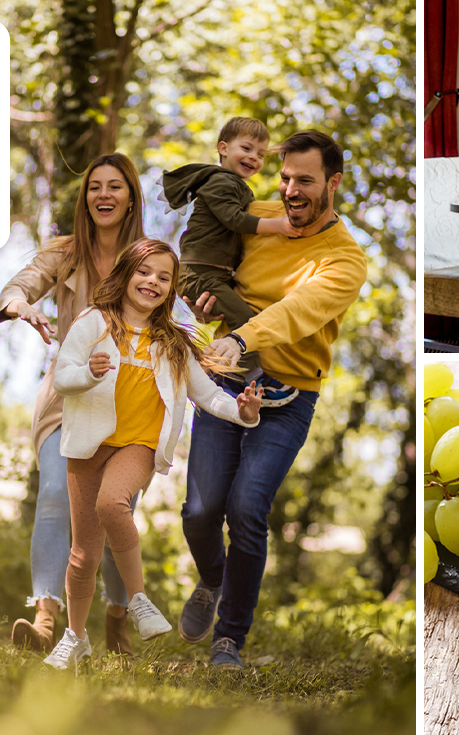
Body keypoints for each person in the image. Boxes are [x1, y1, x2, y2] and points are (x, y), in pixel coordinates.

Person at [177, 130, 368, 668]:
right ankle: (213, 579)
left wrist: (242, 337)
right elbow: (203, 255)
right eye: (285, 178)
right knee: (199, 511)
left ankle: (229, 639)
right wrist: (201, 296)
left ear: (333, 182)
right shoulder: (256, 217)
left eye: (305, 180)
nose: (290, 191)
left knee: (246, 508)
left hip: (290, 394)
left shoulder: (345, 259)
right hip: (225, 380)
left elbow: (297, 311)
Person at [43, 239, 262, 669]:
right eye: (144, 272)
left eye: (164, 277)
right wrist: (88, 373)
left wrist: (242, 412)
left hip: (139, 445)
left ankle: (139, 600)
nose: (152, 282)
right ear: (126, 274)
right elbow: (63, 377)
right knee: (83, 555)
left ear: (171, 289)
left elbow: (207, 395)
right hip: (89, 444)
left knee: (112, 503)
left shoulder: (173, 343)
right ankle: (75, 637)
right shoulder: (94, 323)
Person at [0, 153, 146, 656]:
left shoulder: (148, 259)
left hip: (130, 403)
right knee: (56, 495)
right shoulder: (64, 253)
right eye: (94, 187)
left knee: (114, 510)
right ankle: (45, 621)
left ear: (131, 198)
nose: (103, 195)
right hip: (69, 394)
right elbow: (19, 284)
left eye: (114, 186)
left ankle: (117, 617)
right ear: (85, 199)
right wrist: (20, 303)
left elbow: (181, 315)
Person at [158, 117, 302, 406]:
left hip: (212, 274)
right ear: (223, 148)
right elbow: (234, 219)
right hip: (199, 274)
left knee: (242, 317)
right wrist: (278, 225)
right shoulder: (221, 181)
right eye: (246, 149)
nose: (254, 158)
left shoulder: (235, 185)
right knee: (246, 321)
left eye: (261, 154)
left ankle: (221, 374)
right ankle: (256, 380)